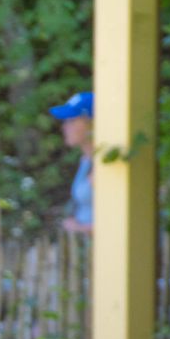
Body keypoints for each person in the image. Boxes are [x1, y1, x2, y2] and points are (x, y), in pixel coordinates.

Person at [50, 90, 95, 235]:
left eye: (71, 120)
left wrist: (79, 228)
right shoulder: (86, 160)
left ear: (92, 123)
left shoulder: (105, 164)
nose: (64, 127)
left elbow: (118, 222)